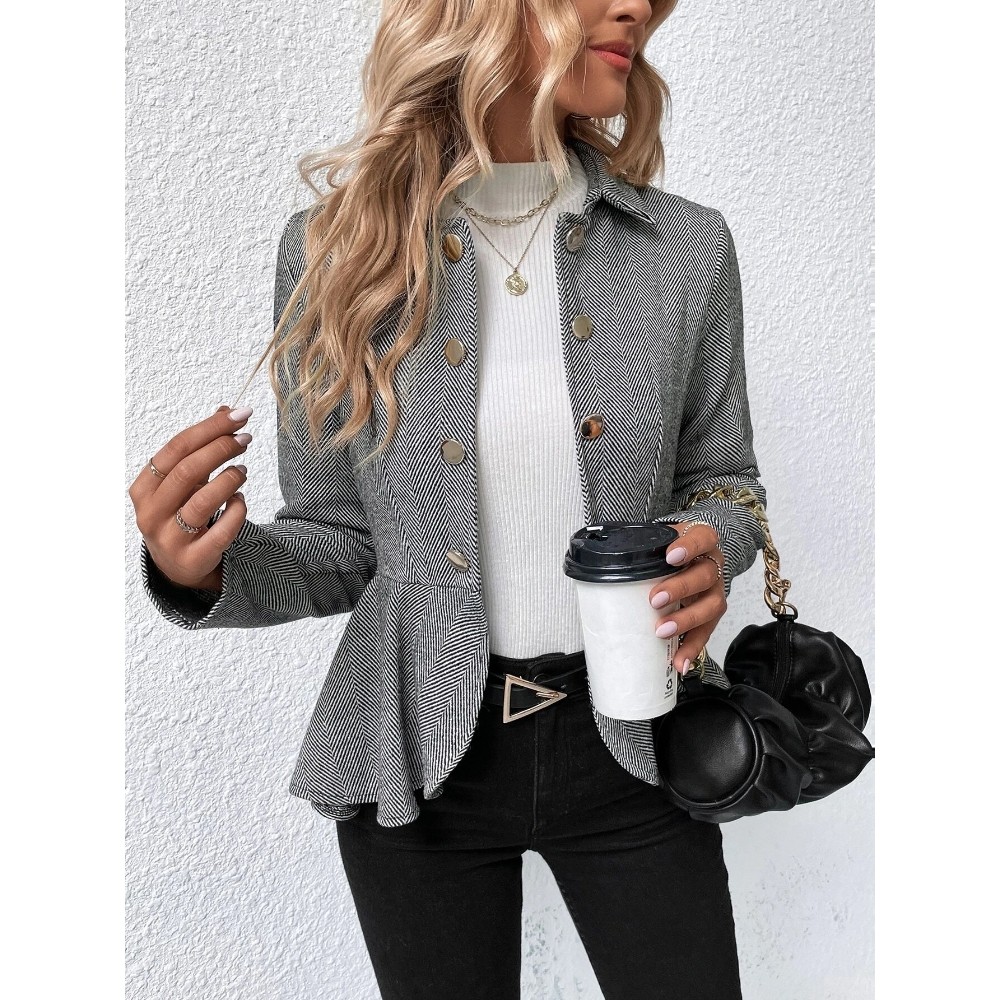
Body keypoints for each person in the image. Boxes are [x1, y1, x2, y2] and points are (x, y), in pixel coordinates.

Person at [128, 1, 766, 997]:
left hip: (641, 741)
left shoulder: (686, 250)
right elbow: (340, 540)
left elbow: (726, 481)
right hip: (416, 763)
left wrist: (706, 545)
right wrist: (201, 568)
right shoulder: (336, 252)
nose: (637, 7)